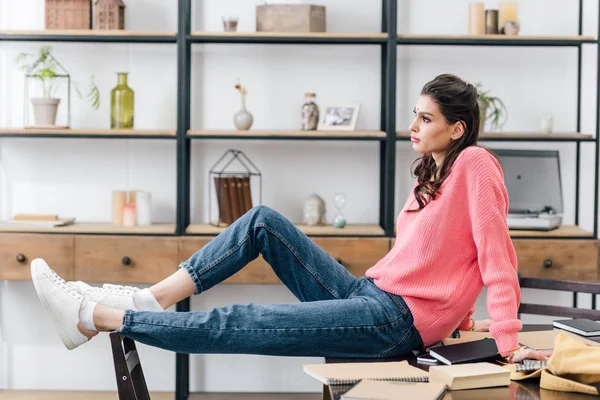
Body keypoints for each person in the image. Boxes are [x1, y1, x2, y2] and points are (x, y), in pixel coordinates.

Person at [31, 73, 551, 364]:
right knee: (260, 220)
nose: (412, 124)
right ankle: (148, 298)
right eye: (415, 113)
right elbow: (438, 263)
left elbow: (494, 257)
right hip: (368, 296)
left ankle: (94, 316)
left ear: (457, 129)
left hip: (393, 322)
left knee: (243, 321)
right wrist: (459, 319)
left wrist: (506, 339)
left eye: (425, 117)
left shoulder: (477, 166)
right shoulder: (429, 177)